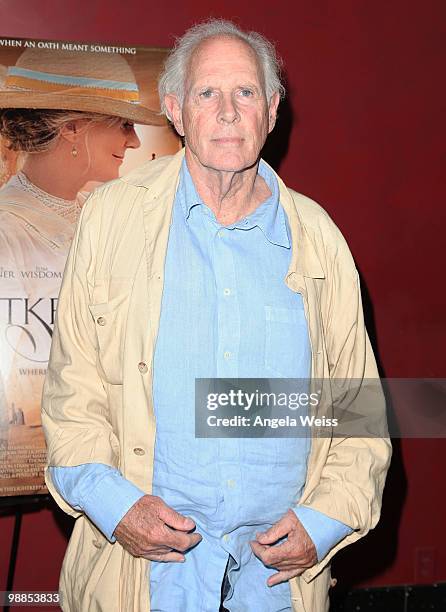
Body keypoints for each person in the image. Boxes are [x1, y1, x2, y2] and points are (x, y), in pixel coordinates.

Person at [42, 20, 391, 612]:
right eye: (207, 93)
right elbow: (72, 397)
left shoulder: (321, 240)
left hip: (275, 589)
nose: (228, 112)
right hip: (144, 581)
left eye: (246, 93)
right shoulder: (109, 220)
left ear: (272, 109)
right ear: (175, 109)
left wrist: (325, 520)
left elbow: (355, 411)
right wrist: (116, 506)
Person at [0, 47, 161, 429]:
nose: (136, 142)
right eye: (123, 124)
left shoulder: (107, 215)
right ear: (71, 128)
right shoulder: (8, 230)